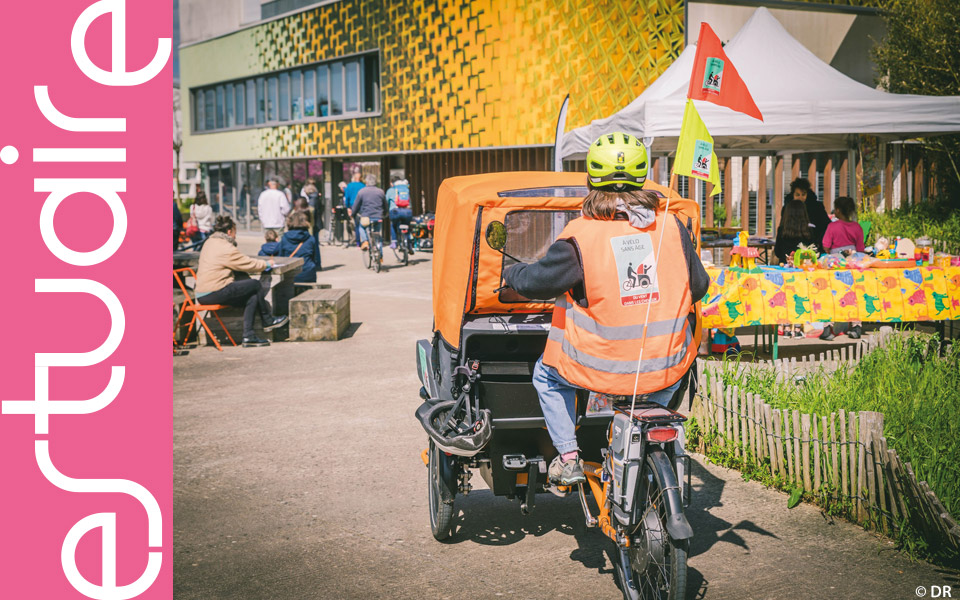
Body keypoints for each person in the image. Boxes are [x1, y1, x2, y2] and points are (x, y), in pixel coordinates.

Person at [503, 132, 709, 486]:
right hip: (665, 366)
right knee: (659, 391)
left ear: (590, 181)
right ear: (643, 179)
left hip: (599, 370)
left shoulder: (581, 236)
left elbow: (538, 283)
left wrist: (511, 272)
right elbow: (699, 286)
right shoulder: (670, 227)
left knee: (546, 377)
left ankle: (568, 457)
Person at [195, 215, 288, 347]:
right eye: (235, 233)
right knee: (255, 284)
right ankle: (267, 320)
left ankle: (248, 336)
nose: (235, 236)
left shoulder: (209, 242)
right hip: (214, 291)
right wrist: (266, 264)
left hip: (203, 293)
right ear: (229, 232)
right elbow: (246, 263)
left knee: (253, 296)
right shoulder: (225, 247)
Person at [819, 196, 864, 341]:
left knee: (831, 295)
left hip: (835, 264)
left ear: (837, 210)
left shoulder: (832, 227)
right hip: (852, 264)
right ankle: (856, 326)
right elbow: (861, 249)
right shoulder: (857, 227)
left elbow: (825, 246)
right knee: (853, 295)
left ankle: (828, 328)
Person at [774, 199, 814, 338]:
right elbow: (813, 251)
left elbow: (777, 252)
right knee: (800, 298)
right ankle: (797, 329)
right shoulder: (809, 231)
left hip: (784, 270)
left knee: (786, 298)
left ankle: (785, 327)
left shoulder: (782, 230)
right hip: (803, 271)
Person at [271, 210, 322, 282]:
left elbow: (280, 256)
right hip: (308, 274)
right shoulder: (310, 239)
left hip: (289, 274)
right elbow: (315, 258)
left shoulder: (285, 238)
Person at [782, 177, 830, 250]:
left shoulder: (817, 207)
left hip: (812, 245)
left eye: (803, 194)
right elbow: (783, 227)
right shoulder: (787, 208)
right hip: (790, 244)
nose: (801, 198)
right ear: (793, 195)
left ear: (807, 194)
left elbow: (825, 226)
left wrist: (818, 242)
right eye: (797, 195)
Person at [350, 174, 388, 251]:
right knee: (377, 232)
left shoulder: (362, 192)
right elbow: (385, 205)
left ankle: (365, 241)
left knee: (361, 227)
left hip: (366, 216)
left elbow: (356, 205)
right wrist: (385, 213)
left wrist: (353, 214)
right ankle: (379, 250)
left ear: (366, 182)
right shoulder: (381, 192)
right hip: (378, 216)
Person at [388, 177, 413, 249]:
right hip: (407, 211)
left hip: (396, 211)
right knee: (407, 225)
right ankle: (409, 244)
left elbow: (386, 200)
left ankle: (394, 242)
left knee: (393, 224)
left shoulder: (391, 190)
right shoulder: (406, 189)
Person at [343, 171, 365, 246]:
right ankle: (365, 241)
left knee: (357, 224)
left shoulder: (349, 186)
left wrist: (347, 207)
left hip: (353, 206)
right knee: (364, 224)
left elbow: (347, 198)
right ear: (361, 178)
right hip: (362, 206)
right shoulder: (363, 186)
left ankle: (358, 242)